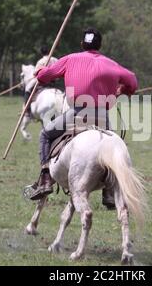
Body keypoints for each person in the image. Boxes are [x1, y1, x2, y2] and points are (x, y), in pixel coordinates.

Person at [29, 28, 138, 206]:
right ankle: (109, 191)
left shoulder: (70, 59)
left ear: (82, 44)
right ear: (100, 46)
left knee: (45, 135)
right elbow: (132, 81)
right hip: (103, 117)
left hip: (78, 113)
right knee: (111, 148)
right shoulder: (112, 64)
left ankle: (46, 178)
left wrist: (40, 71)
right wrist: (123, 90)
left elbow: (44, 77)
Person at [23, 46, 58, 117]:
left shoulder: (41, 61)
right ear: (49, 51)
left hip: (43, 82)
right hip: (54, 81)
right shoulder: (55, 59)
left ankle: (27, 110)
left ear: (41, 53)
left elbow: (35, 73)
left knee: (27, 88)